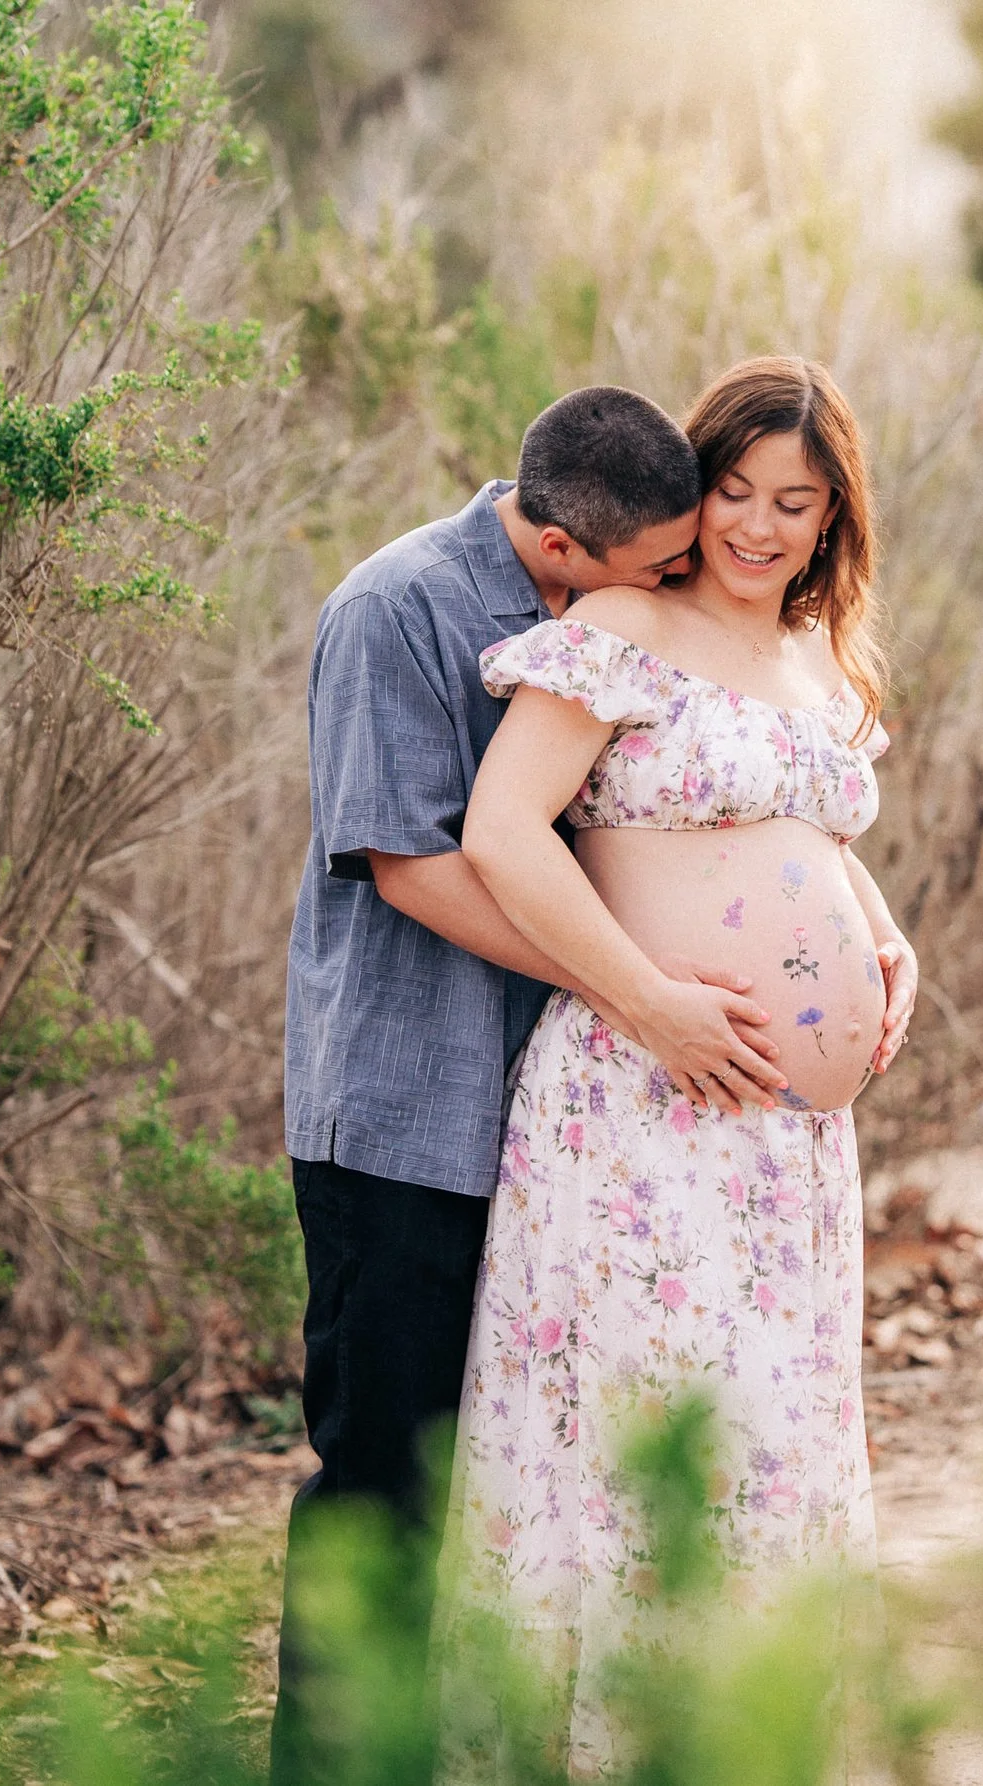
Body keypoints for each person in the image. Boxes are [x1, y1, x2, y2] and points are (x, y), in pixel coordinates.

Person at [273, 387, 787, 1784]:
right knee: (383, 1478)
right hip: (399, 1117)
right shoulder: (393, 613)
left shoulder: (590, 602)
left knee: (503, 1481)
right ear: (562, 548)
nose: (674, 586)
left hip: (544, 1130)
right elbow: (416, 865)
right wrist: (631, 987)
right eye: (656, 569)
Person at [434, 355, 917, 1778]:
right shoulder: (624, 625)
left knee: (767, 1448)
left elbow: (813, 845)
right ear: (692, 488)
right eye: (737, 492)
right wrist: (650, 1004)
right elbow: (503, 830)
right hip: (640, 1108)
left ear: (834, 519)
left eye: (799, 503)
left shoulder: (823, 659)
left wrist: (891, 946)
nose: (762, 529)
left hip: (785, 1150)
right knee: (643, 1448)